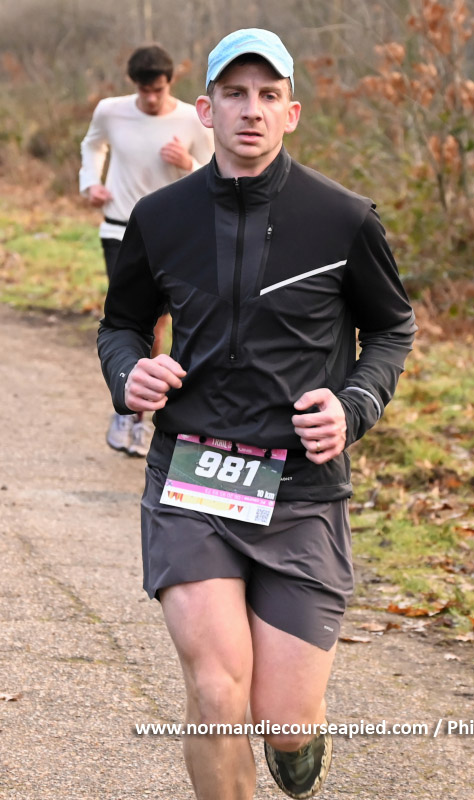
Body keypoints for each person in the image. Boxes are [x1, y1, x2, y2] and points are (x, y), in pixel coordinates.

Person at [97, 28, 417, 800]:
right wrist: (129, 373)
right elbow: (121, 326)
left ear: (291, 112)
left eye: (269, 95)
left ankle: (299, 743)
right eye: (234, 95)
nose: (252, 110)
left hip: (301, 491)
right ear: (205, 110)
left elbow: (393, 329)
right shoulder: (160, 218)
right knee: (216, 692)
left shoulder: (343, 219)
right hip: (193, 476)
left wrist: (353, 405)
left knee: (284, 719)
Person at [80, 43, 213, 457]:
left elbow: (217, 172)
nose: (151, 98)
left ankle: (144, 412)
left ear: (170, 82)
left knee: (164, 325)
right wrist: (90, 183)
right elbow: (92, 145)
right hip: (119, 229)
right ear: (133, 84)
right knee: (136, 321)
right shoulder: (110, 110)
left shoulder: (193, 118)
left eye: (158, 90)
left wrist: (187, 164)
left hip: (175, 236)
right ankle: (132, 411)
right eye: (144, 90)